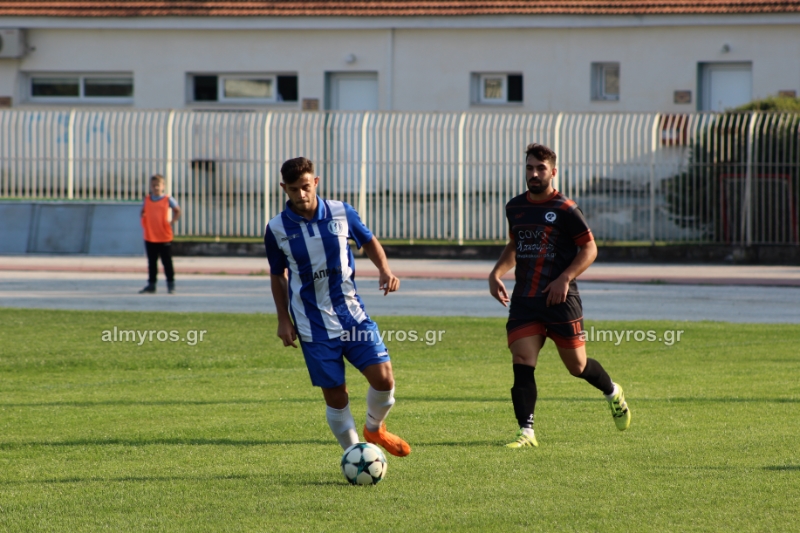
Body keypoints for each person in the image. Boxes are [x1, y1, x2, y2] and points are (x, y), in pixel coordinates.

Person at [264, 157, 411, 458]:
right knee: (336, 395)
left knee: (384, 379)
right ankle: (356, 455)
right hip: (312, 324)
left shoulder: (342, 212)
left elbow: (368, 240)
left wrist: (385, 270)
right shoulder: (276, 228)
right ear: (284, 188)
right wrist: (283, 319)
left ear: (315, 182)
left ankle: (375, 429)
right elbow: (278, 275)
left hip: (351, 315)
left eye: (306, 186)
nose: (301, 194)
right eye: (293, 189)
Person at [488, 143, 631, 448]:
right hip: (525, 300)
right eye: (529, 168)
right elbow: (515, 244)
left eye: (540, 169)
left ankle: (612, 391)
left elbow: (589, 248)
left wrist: (565, 278)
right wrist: (496, 273)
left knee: (577, 367)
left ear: (553, 172)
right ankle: (526, 432)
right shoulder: (515, 207)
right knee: (522, 359)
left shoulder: (566, 209)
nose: (534, 174)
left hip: (561, 300)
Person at [139, 174, 181, 295]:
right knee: (152, 263)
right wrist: (145, 221)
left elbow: (177, 211)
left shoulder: (168, 199)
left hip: (164, 236)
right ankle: (151, 285)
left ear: (163, 186)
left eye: (158, 185)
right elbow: (143, 212)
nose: (156, 187)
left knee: (167, 262)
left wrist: (172, 222)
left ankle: (171, 285)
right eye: (153, 185)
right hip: (150, 236)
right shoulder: (147, 199)